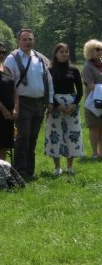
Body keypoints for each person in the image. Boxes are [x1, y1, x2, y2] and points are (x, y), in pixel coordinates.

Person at [4, 29, 54, 180]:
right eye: (24, 39)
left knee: (33, 138)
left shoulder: (40, 58)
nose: (28, 42)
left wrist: (50, 101)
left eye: (30, 39)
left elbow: (49, 81)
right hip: (22, 102)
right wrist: (14, 105)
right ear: (18, 41)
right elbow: (8, 84)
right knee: (23, 136)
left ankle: (30, 171)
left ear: (34, 40)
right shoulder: (11, 59)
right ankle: (19, 171)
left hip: (39, 103)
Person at [45, 43, 83, 175]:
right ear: (56, 54)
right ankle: (57, 167)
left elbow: (80, 91)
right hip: (55, 106)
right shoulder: (49, 70)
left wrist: (74, 104)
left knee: (72, 134)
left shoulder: (74, 70)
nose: (64, 54)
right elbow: (48, 90)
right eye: (61, 51)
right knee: (55, 134)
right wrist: (57, 105)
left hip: (72, 106)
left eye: (66, 51)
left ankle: (69, 167)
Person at [80, 39, 102, 160]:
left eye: (101, 49)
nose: (100, 51)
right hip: (93, 102)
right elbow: (90, 85)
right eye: (97, 49)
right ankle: (94, 153)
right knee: (94, 127)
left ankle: (101, 152)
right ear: (90, 51)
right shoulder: (87, 67)